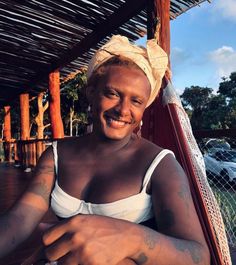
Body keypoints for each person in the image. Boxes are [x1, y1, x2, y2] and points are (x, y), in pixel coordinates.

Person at [0, 35, 210, 265]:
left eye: (136, 101)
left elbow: (198, 256)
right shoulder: (57, 155)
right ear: (91, 93)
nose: (123, 110)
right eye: (113, 94)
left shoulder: (159, 165)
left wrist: (132, 238)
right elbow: (21, 218)